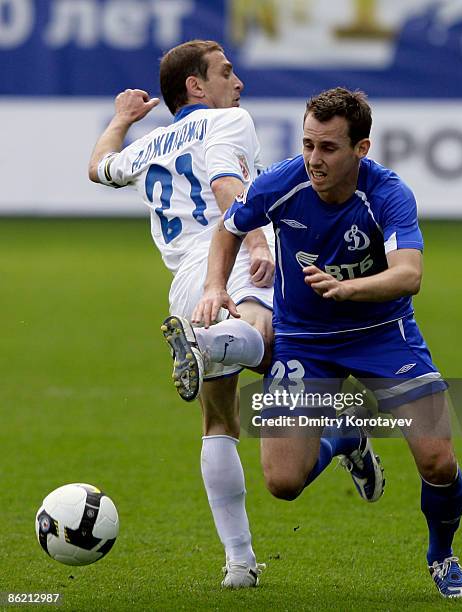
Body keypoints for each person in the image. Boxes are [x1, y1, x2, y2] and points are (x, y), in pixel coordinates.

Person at [192, 88, 462, 598]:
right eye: (307, 145)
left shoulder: (388, 193)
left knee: (438, 460)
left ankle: (443, 556)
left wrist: (348, 289)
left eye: (328, 148)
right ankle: (346, 436)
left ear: (360, 149)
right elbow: (229, 226)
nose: (313, 160)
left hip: (382, 336)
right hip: (303, 342)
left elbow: (409, 275)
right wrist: (215, 284)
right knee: (282, 483)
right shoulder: (282, 182)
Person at [88, 39, 276, 588]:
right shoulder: (230, 121)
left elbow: (98, 168)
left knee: (220, 422)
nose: (237, 83)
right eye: (225, 72)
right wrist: (258, 242)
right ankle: (212, 343)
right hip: (229, 252)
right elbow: (227, 186)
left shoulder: (148, 145)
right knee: (269, 340)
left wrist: (121, 119)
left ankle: (239, 563)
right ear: (196, 86)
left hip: (184, 285)